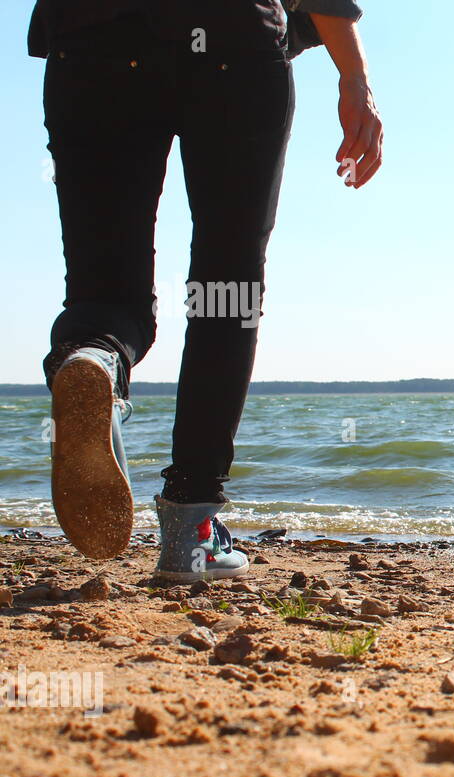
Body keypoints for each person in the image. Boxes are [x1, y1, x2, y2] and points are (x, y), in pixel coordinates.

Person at [29, 0, 381, 580]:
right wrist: (354, 78)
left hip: (94, 42)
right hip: (234, 46)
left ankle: (93, 357)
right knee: (225, 288)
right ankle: (191, 530)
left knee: (104, 287)